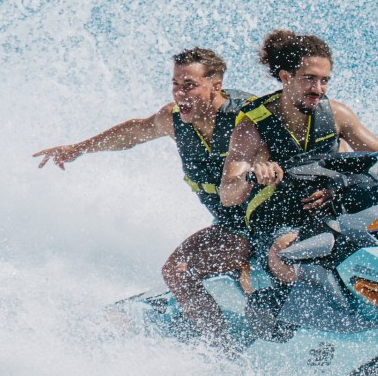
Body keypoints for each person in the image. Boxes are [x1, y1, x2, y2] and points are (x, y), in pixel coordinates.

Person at [33, 48, 253, 345]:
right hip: (229, 225)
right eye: (176, 84)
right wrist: (79, 148)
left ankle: (239, 333)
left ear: (216, 84)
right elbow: (135, 132)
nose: (180, 93)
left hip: (266, 221)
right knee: (176, 271)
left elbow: (304, 135)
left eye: (189, 85)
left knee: (197, 268)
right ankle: (221, 346)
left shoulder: (250, 115)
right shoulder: (174, 120)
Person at [219, 30, 378, 283]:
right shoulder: (252, 126)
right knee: (287, 251)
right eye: (309, 79)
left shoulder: (338, 114)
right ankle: (313, 314)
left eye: (324, 80)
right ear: (286, 77)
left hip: (334, 205)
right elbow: (228, 194)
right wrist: (254, 175)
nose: (318, 89)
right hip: (280, 217)